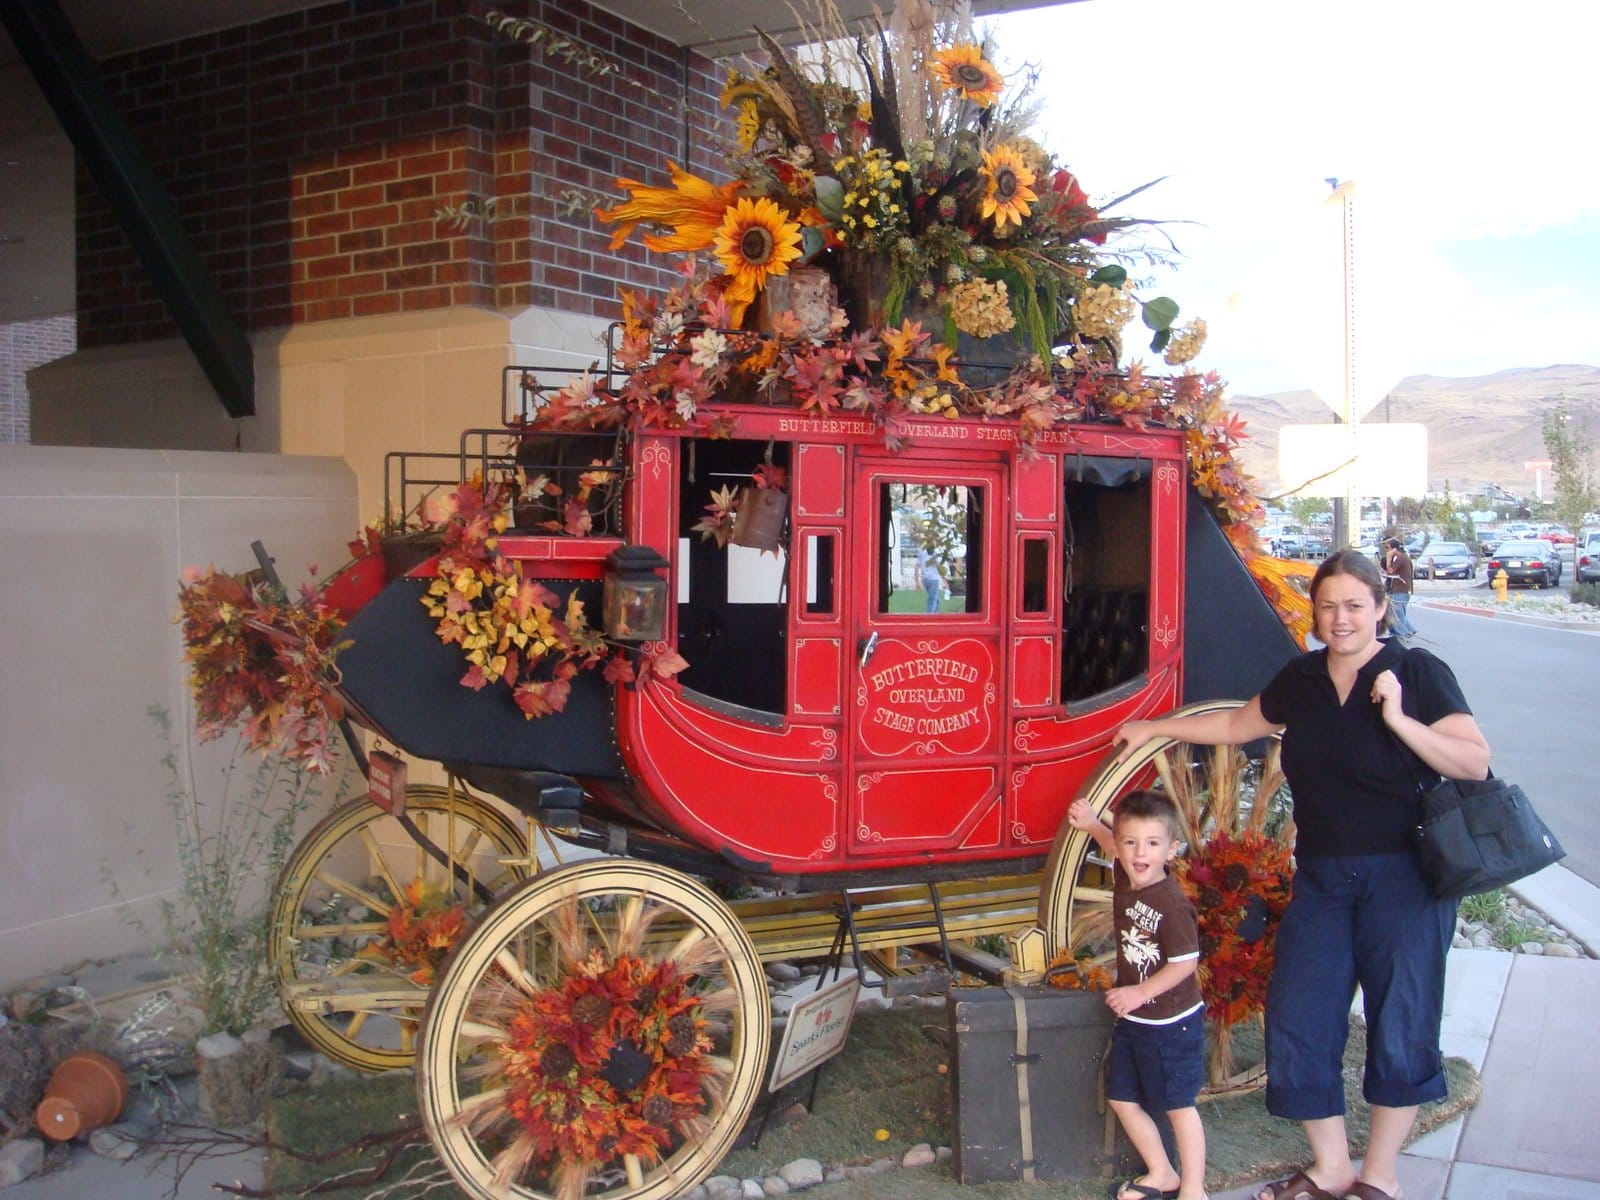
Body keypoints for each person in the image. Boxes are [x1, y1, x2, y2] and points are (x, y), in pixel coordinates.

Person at [1113, 549, 1490, 1200]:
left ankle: (1379, 1175)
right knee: (1298, 1016)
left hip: (1405, 879)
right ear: (1313, 612)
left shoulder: (1417, 672)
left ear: (1380, 607)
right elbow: (1236, 723)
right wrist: (1154, 725)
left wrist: (1398, 719)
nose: (1340, 619)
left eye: (1353, 605)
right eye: (1327, 606)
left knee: (1400, 1020)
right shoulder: (1303, 678)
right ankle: (1331, 1167)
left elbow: (1473, 762)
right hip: (1322, 877)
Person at [1067, 789, 1208, 1200]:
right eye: (1131, 843)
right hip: (1136, 1018)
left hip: (1172, 1021)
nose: (1138, 853)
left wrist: (1138, 993)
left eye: (1151, 844)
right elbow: (1114, 844)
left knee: (1179, 1105)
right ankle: (1162, 1172)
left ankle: (1194, 1189)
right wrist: (1095, 823)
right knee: (1122, 1098)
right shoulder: (1127, 874)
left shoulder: (1172, 904)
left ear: (1171, 848)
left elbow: (1184, 964)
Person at [1381, 538, 1416, 641]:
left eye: (1387, 548)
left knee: (1396, 613)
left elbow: (1390, 570)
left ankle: (1401, 634)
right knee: (1395, 611)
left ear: (1393, 548)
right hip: (1398, 589)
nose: (1386, 550)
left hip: (1401, 589)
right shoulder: (1401, 557)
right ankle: (1409, 629)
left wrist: (1388, 558)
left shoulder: (1399, 558)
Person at [916, 540, 946, 613]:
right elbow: (939, 567)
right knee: (932, 599)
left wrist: (917, 581)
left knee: (937, 599)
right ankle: (929, 616)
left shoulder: (922, 552)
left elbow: (917, 565)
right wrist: (945, 580)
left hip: (925, 579)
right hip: (933, 579)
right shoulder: (936, 554)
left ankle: (935, 615)